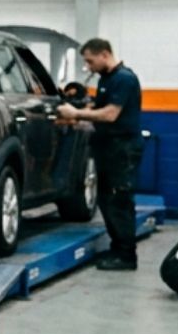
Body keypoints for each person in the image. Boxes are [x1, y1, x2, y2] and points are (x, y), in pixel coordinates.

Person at [56, 38, 143, 270]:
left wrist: (76, 113)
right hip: (108, 148)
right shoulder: (107, 79)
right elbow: (98, 111)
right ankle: (118, 249)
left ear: (104, 54)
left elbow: (110, 114)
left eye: (90, 61)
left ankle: (127, 256)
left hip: (122, 150)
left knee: (119, 201)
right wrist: (77, 117)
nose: (88, 67)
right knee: (107, 200)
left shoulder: (124, 79)